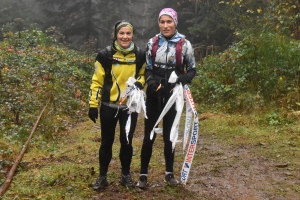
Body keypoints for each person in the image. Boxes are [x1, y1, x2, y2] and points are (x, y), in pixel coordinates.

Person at [136, 8, 196, 188]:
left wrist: (182, 79)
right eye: (162, 22)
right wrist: (151, 82)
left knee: (170, 135)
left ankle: (169, 174)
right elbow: (147, 67)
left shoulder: (185, 44)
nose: (165, 25)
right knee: (149, 135)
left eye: (169, 21)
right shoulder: (152, 42)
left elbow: (192, 69)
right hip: (154, 94)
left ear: (175, 22)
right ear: (158, 23)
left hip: (173, 96)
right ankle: (143, 175)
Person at [88, 20, 146, 191]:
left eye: (128, 33)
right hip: (108, 106)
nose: (125, 37)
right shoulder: (105, 55)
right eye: (122, 33)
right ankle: (102, 177)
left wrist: (141, 83)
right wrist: (93, 105)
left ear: (132, 35)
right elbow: (96, 81)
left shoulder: (139, 54)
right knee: (106, 142)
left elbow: (143, 75)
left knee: (126, 142)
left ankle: (125, 175)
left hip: (130, 107)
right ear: (116, 35)